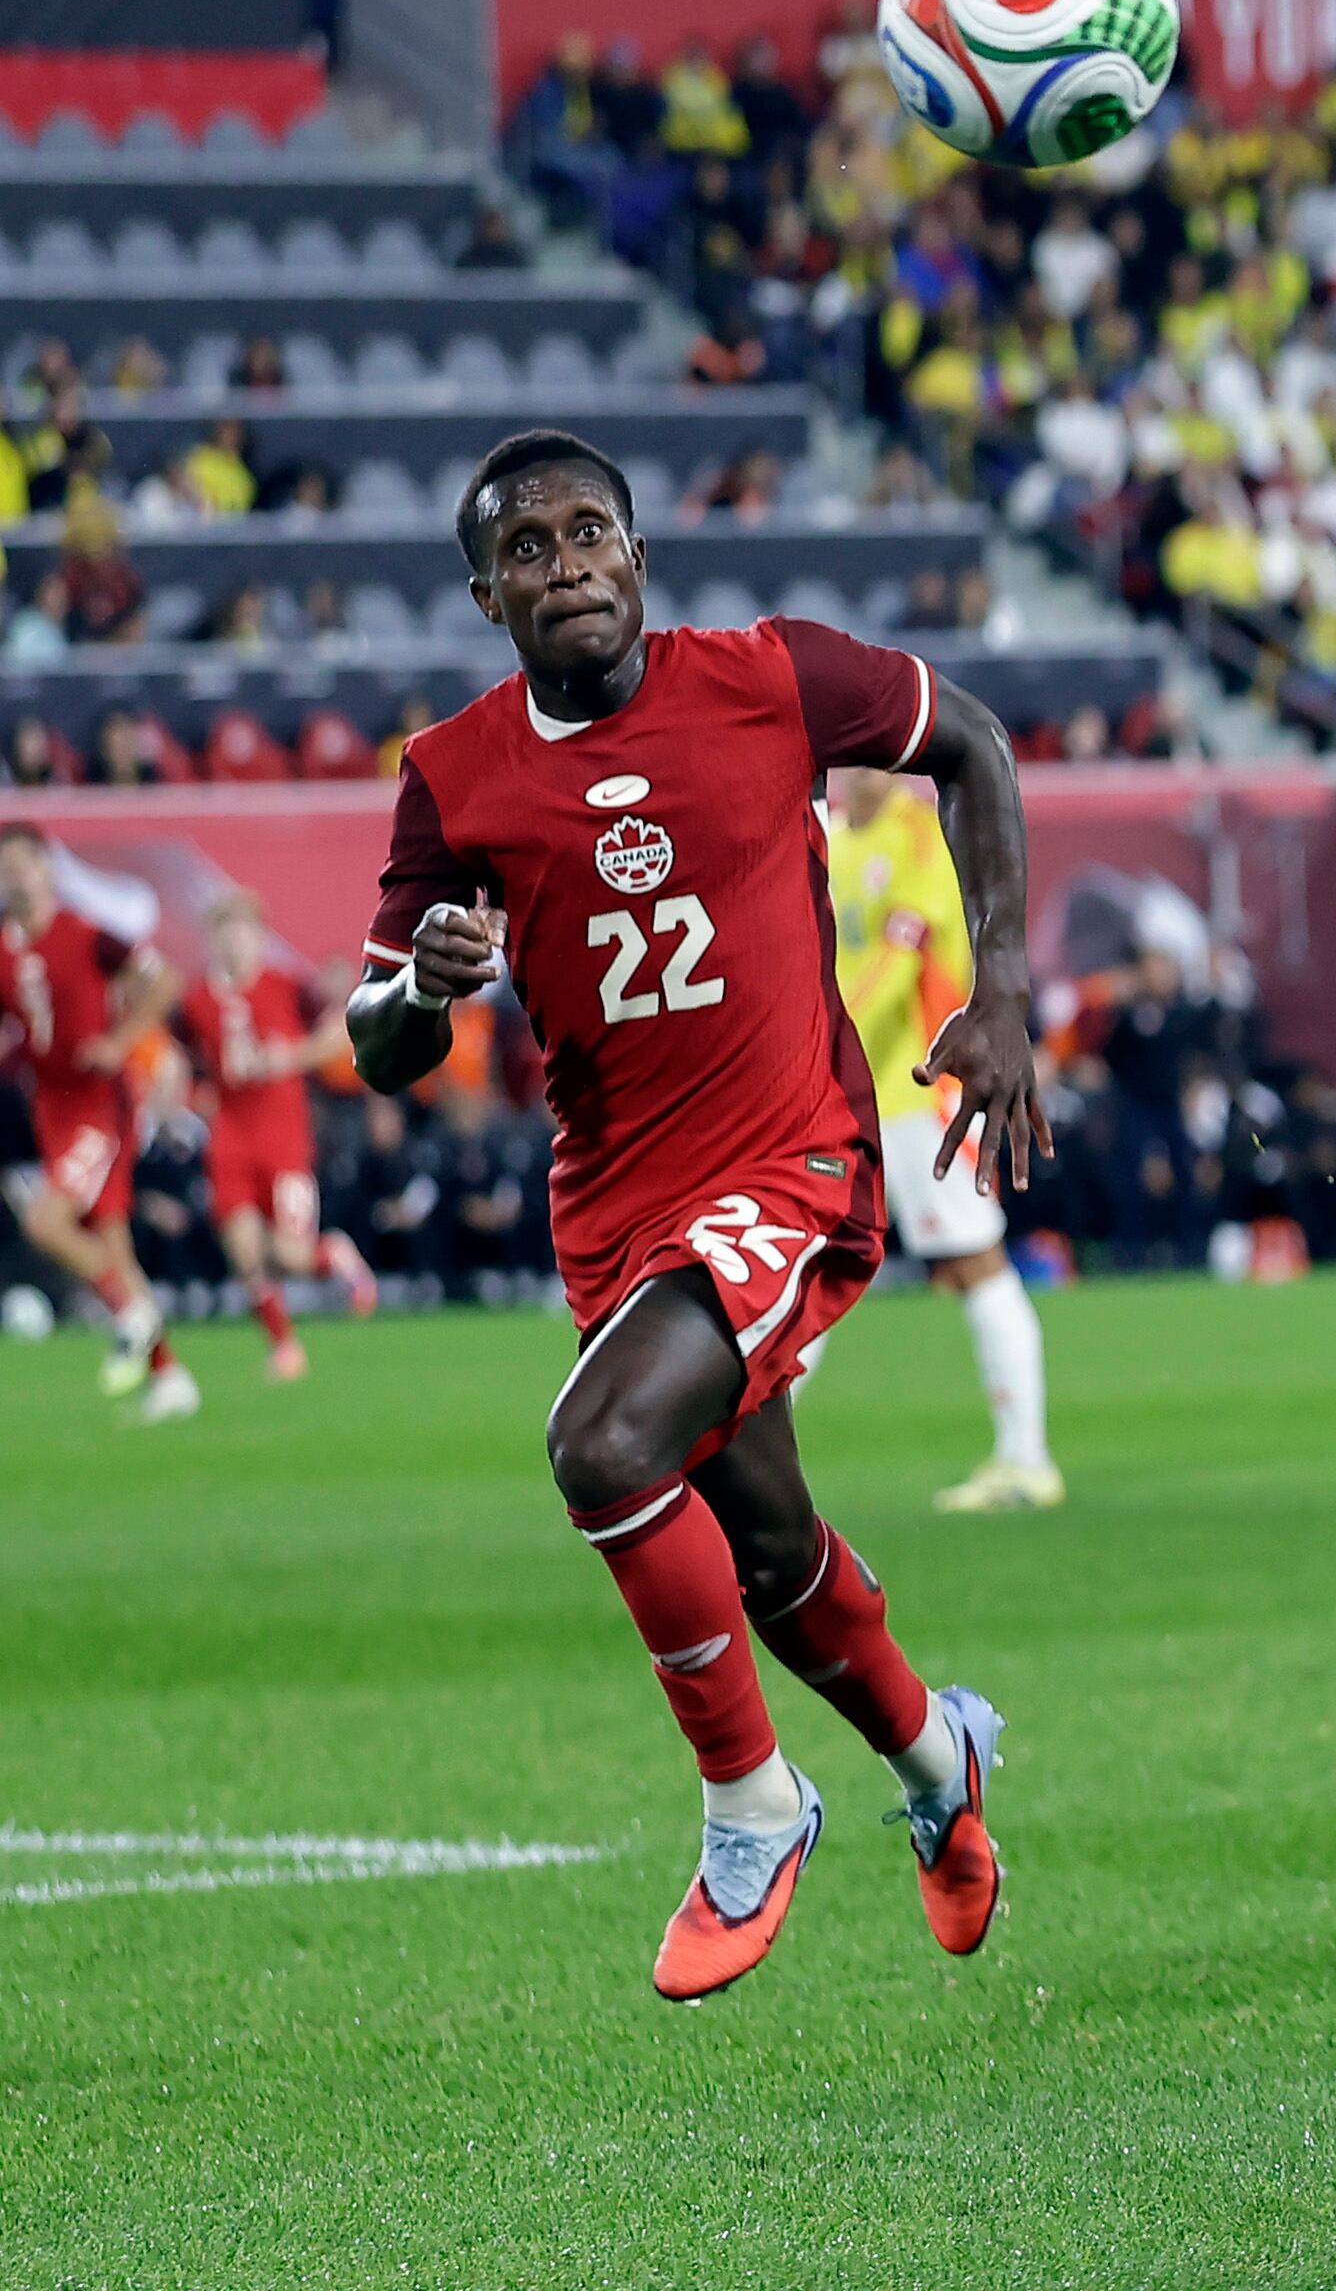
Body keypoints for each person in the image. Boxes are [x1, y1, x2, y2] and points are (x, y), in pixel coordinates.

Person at [347, 431, 1051, 2002]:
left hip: (793, 1160)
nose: (567, 561)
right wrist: (420, 988)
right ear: (487, 593)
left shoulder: (774, 676)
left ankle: (752, 1798)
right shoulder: (452, 774)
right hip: (615, 1203)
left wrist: (1003, 988)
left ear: (641, 551)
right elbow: (376, 1036)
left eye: (590, 530)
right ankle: (942, 1761)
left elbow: (978, 745)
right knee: (775, 1544)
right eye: (526, 549)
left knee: (602, 1444)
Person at [827, 767, 1062, 1512]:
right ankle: (750, 1466)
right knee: (805, 1268)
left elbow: (903, 968)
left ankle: (1027, 1460)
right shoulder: (829, 839)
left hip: (918, 1090)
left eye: (875, 756)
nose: (864, 770)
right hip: (841, 1094)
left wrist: (817, 1036)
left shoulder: (921, 838)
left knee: (973, 1263)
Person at [0, 824, 195, 1419]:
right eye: (6, 867)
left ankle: (129, 1314)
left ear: (47, 871)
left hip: (98, 1104)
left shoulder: (85, 935)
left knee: (44, 1220)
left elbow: (164, 981)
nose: (15, 877)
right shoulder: (6, 952)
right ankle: (170, 1380)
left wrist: (120, 1041)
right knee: (111, 1244)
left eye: (25, 864)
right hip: (52, 1107)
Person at [180, 890, 375, 1380]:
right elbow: (186, 1061)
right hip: (229, 1137)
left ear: (259, 937)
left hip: (284, 1138)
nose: (233, 943)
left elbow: (342, 1032)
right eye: (224, 933)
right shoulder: (197, 1000)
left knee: (288, 1254)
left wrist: (289, 1057)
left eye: (243, 932)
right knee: (245, 1252)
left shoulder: (287, 987)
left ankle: (336, 1255)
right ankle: (285, 1347)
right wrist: (193, 1093)